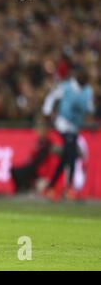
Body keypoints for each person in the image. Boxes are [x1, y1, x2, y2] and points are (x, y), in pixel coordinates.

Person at [42, 66, 95, 201]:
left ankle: (50, 187)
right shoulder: (66, 87)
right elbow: (52, 97)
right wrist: (47, 112)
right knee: (71, 155)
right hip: (63, 124)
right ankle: (69, 188)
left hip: (75, 127)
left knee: (66, 157)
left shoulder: (88, 91)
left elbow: (90, 108)